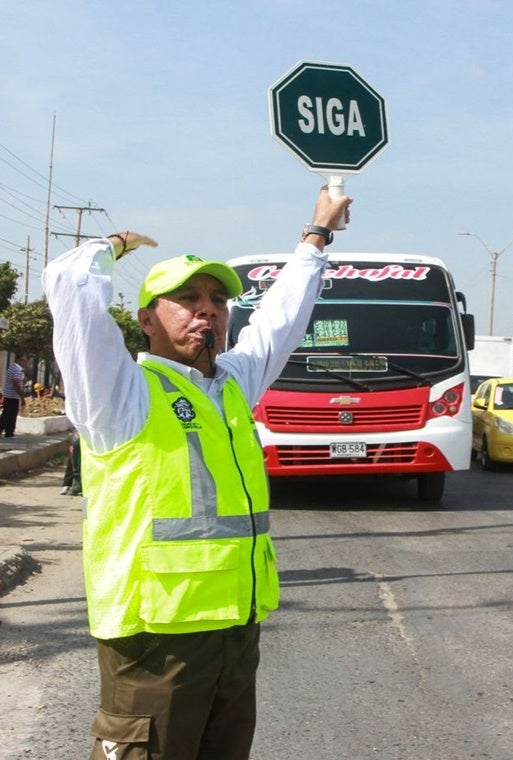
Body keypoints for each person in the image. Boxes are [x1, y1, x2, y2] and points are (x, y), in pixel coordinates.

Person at [44, 186, 350, 760]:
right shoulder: (122, 394)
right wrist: (111, 247)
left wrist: (316, 237)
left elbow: (279, 323)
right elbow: (70, 286)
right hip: (155, 641)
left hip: (236, 632)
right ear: (147, 321)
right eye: (184, 298)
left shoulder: (229, 385)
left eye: (216, 298)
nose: (206, 308)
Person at [1, 355, 27, 437]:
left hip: (8, 395)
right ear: (19, 360)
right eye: (25, 360)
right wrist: (21, 397)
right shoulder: (17, 369)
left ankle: (3, 429)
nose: (26, 363)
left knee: (6, 414)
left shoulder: (12, 367)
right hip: (13, 396)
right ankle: (9, 433)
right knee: (11, 415)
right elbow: (16, 383)